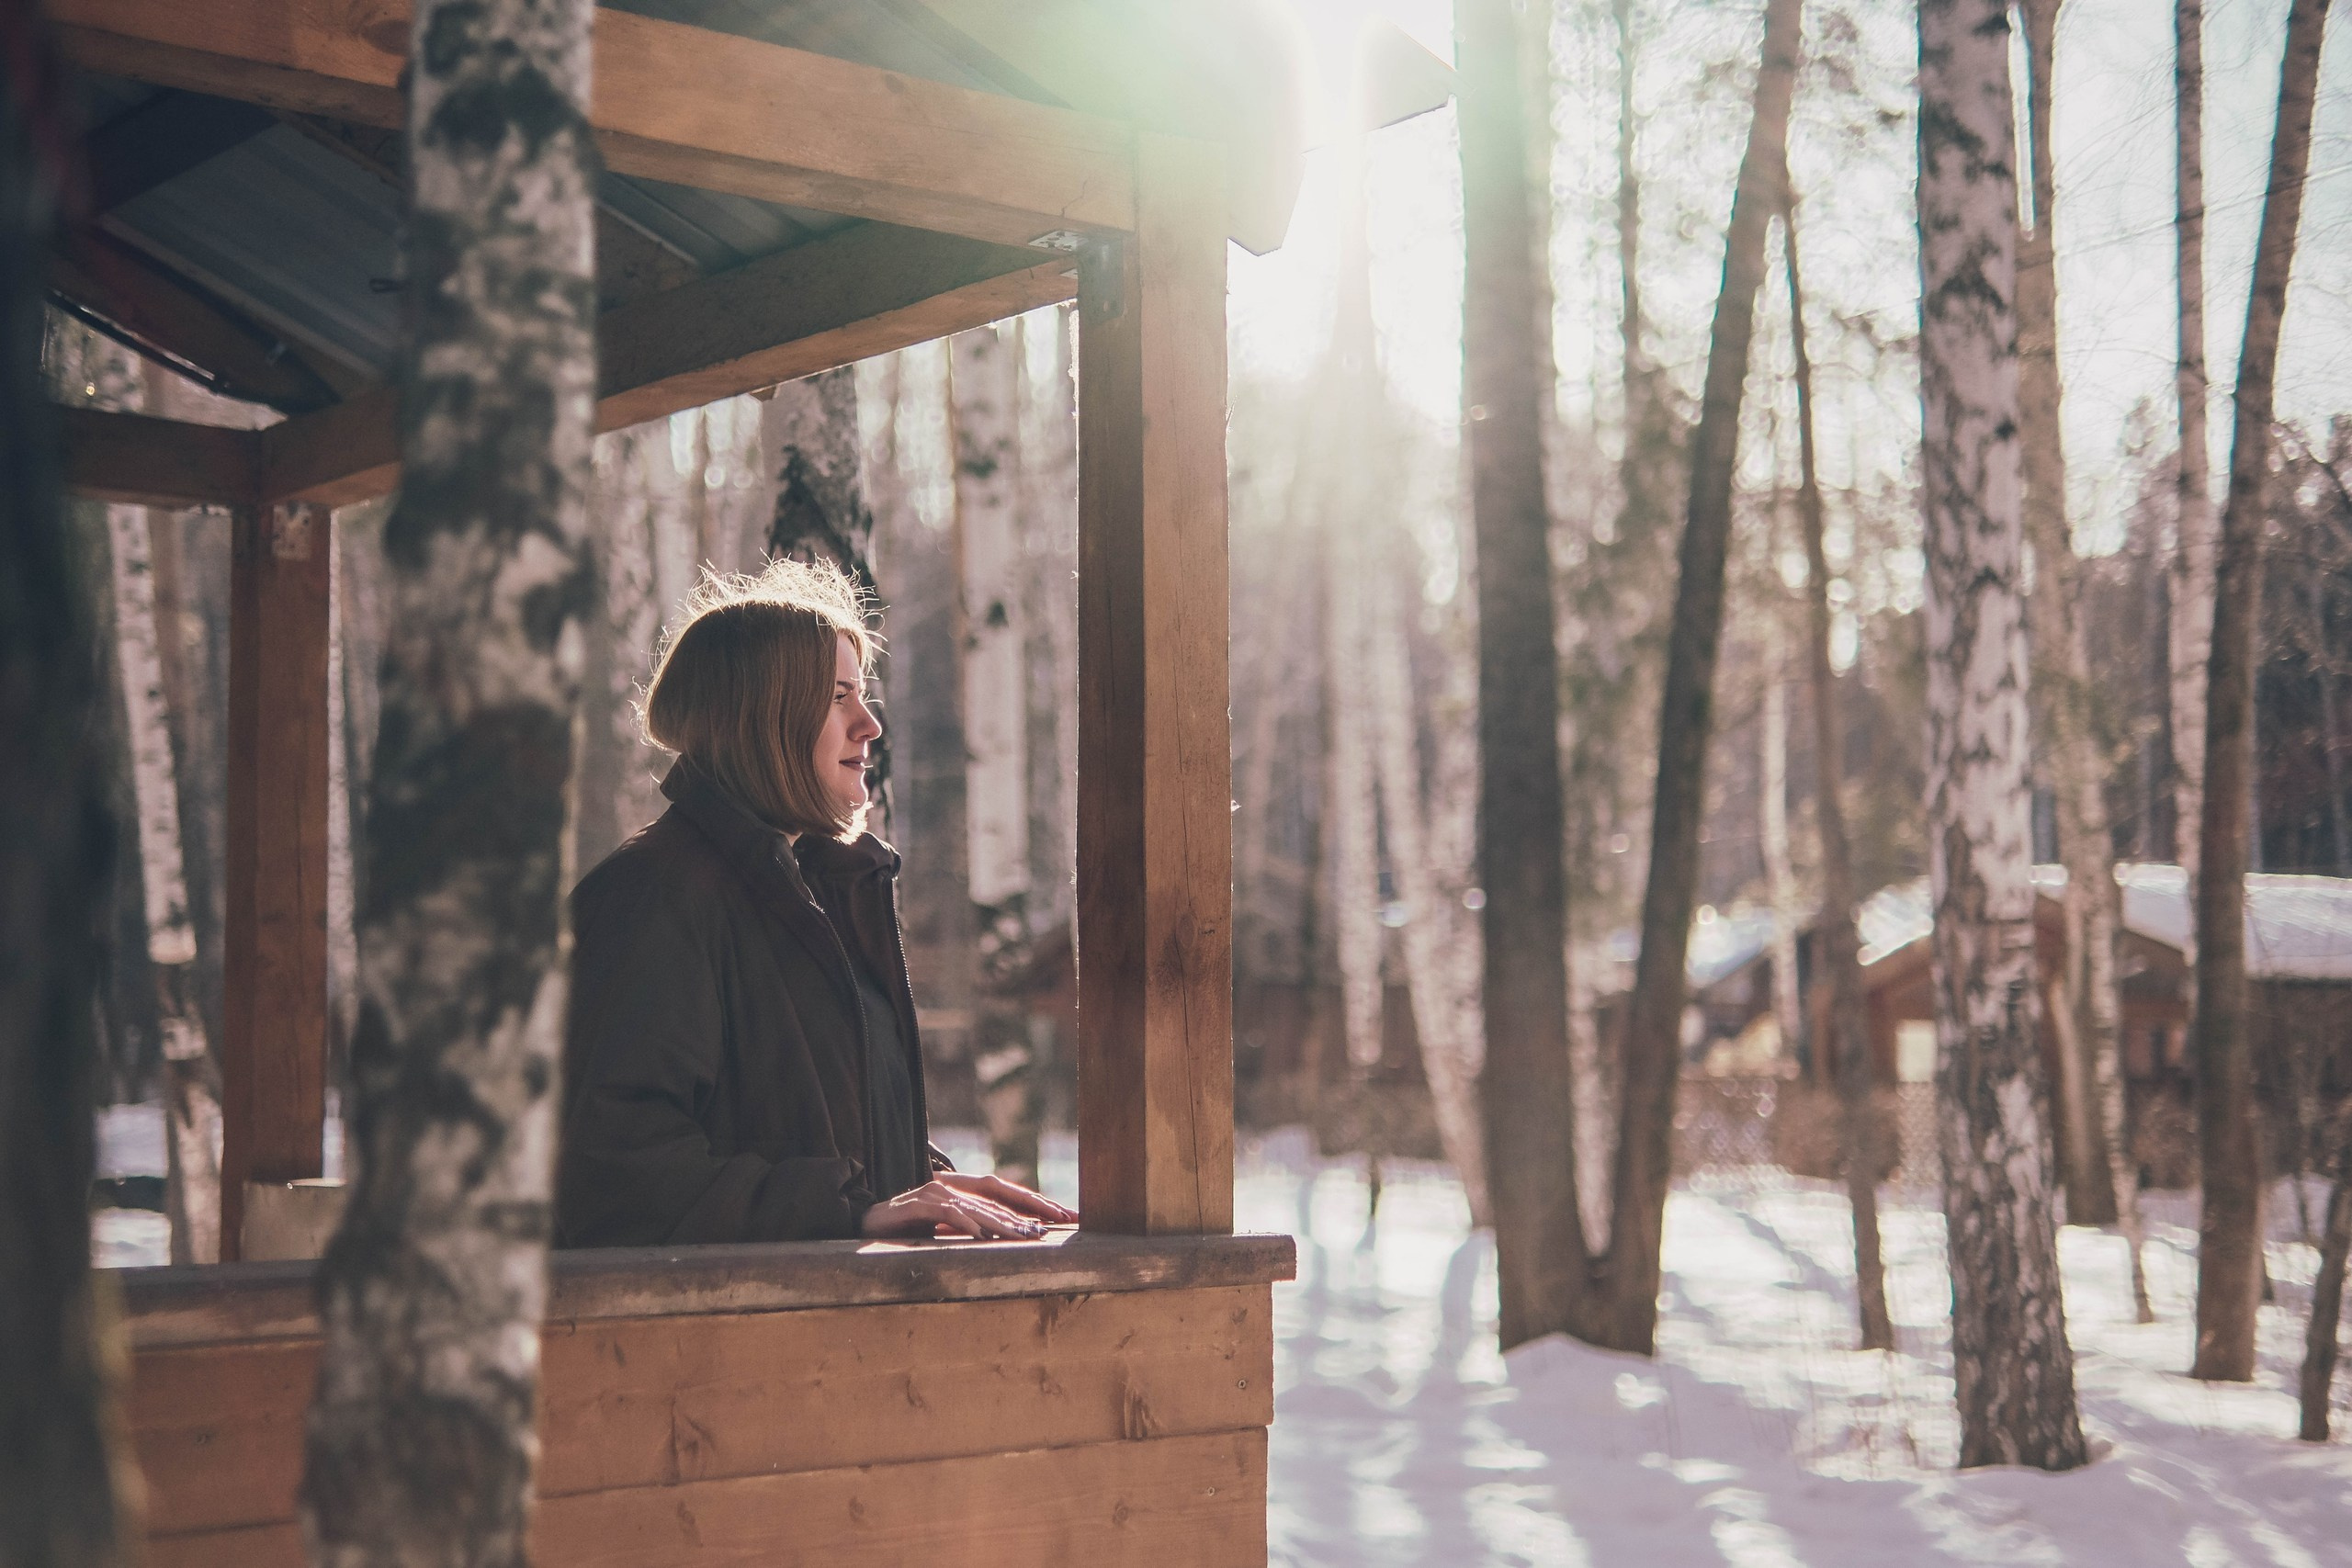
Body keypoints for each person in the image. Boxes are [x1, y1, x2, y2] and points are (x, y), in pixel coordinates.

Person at [555, 558, 1073, 1247]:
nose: (870, 725)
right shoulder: (651, 898)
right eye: (838, 697)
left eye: (863, 694)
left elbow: (797, 1127)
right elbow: (608, 1171)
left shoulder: (817, 898)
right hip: (714, 1349)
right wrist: (850, 1206)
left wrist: (921, 1184)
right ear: (762, 716)